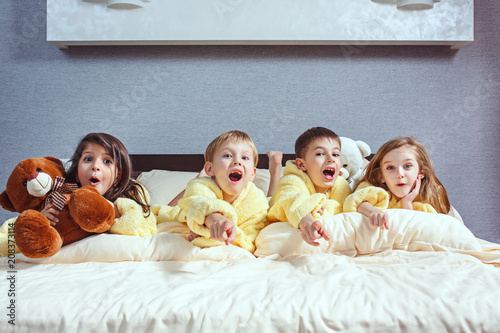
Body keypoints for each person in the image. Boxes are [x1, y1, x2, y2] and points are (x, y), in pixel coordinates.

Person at [152, 130, 269, 253]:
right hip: (181, 214)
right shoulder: (200, 186)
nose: (237, 161)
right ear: (210, 168)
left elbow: (250, 239)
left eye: (245, 157)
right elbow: (199, 204)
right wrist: (214, 220)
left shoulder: (256, 200)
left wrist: (206, 234)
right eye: (228, 155)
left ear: (252, 174)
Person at [43, 132, 157, 237]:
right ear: (77, 173)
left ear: (118, 176)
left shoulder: (133, 192)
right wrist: (42, 217)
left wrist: (112, 211)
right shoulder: (65, 195)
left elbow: (145, 226)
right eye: (88, 159)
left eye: (107, 161)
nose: (95, 166)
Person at [267, 127, 352, 246]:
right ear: (302, 164)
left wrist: (323, 206)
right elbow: (291, 199)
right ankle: (275, 169)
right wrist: (308, 220)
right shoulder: (292, 180)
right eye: (320, 153)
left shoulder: (340, 184)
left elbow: (349, 206)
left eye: (335, 154)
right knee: (270, 200)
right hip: (278, 201)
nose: (330, 159)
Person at [343, 136, 451, 230]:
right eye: (390, 168)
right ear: (381, 177)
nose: (399, 174)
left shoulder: (431, 195)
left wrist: (406, 203)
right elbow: (355, 201)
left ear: (421, 172)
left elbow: (427, 229)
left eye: (407, 166)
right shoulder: (374, 189)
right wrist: (373, 211)